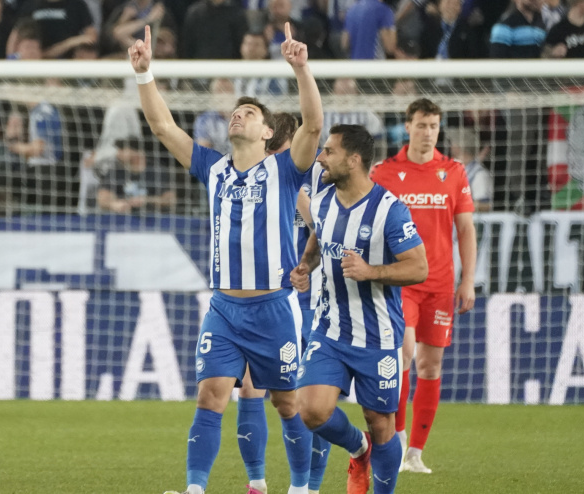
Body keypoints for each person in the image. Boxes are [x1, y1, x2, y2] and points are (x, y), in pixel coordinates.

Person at [130, 22, 324, 494]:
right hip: (224, 309)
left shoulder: (284, 169)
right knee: (211, 395)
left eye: (249, 112)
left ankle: (300, 487)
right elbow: (162, 126)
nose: (238, 116)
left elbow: (314, 125)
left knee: (287, 403)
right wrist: (144, 75)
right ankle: (196, 489)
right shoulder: (213, 169)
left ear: (267, 132)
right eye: (236, 112)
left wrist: (301, 69)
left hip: (274, 308)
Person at [293, 124, 428, 494]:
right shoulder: (320, 200)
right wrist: (306, 265)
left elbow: (419, 267)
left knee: (382, 423)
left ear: (354, 160)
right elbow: (319, 237)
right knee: (311, 410)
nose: (320, 157)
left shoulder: (390, 210)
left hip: (377, 334)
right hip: (329, 329)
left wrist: (372, 272)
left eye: (329, 151)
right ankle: (358, 448)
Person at [370, 98, 477, 474]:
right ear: (408, 127)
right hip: (402, 282)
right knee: (403, 355)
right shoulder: (384, 172)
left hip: (441, 283)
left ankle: (416, 453)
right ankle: (396, 442)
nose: (428, 132)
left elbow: (465, 228)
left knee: (430, 367)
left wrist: (468, 280)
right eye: (421, 124)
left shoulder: (454, 172)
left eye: (434, 125)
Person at [235, 111, 331, 494]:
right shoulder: (260, 177)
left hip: (311, 301)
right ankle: (257, 483)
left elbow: (325, 232)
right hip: (274, 299)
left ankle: (310, 486)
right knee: (249, 387)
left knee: (308, 400)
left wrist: (305, 266)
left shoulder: (313, 180)